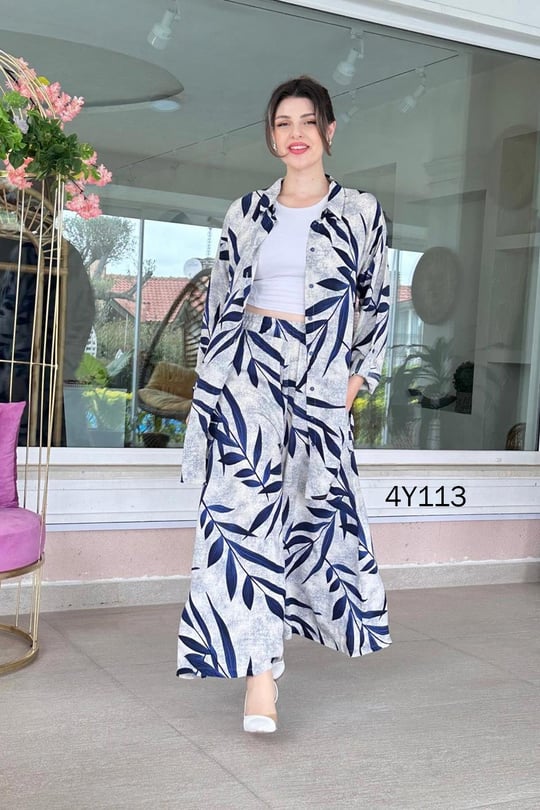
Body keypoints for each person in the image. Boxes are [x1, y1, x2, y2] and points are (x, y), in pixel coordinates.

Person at [177, 75, 391, 733]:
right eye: (282, 123)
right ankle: (259, 679)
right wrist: (213, 392)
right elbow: (218, 310)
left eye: (306, 121)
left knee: (308, 517)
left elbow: (377, 306)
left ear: (329, 130)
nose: (295, 134)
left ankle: (276, 646)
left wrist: (353, 386)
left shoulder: (361, 212)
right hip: (249, 370)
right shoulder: (245, 213)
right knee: (240, 521)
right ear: (271, 137)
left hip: (320, 377)